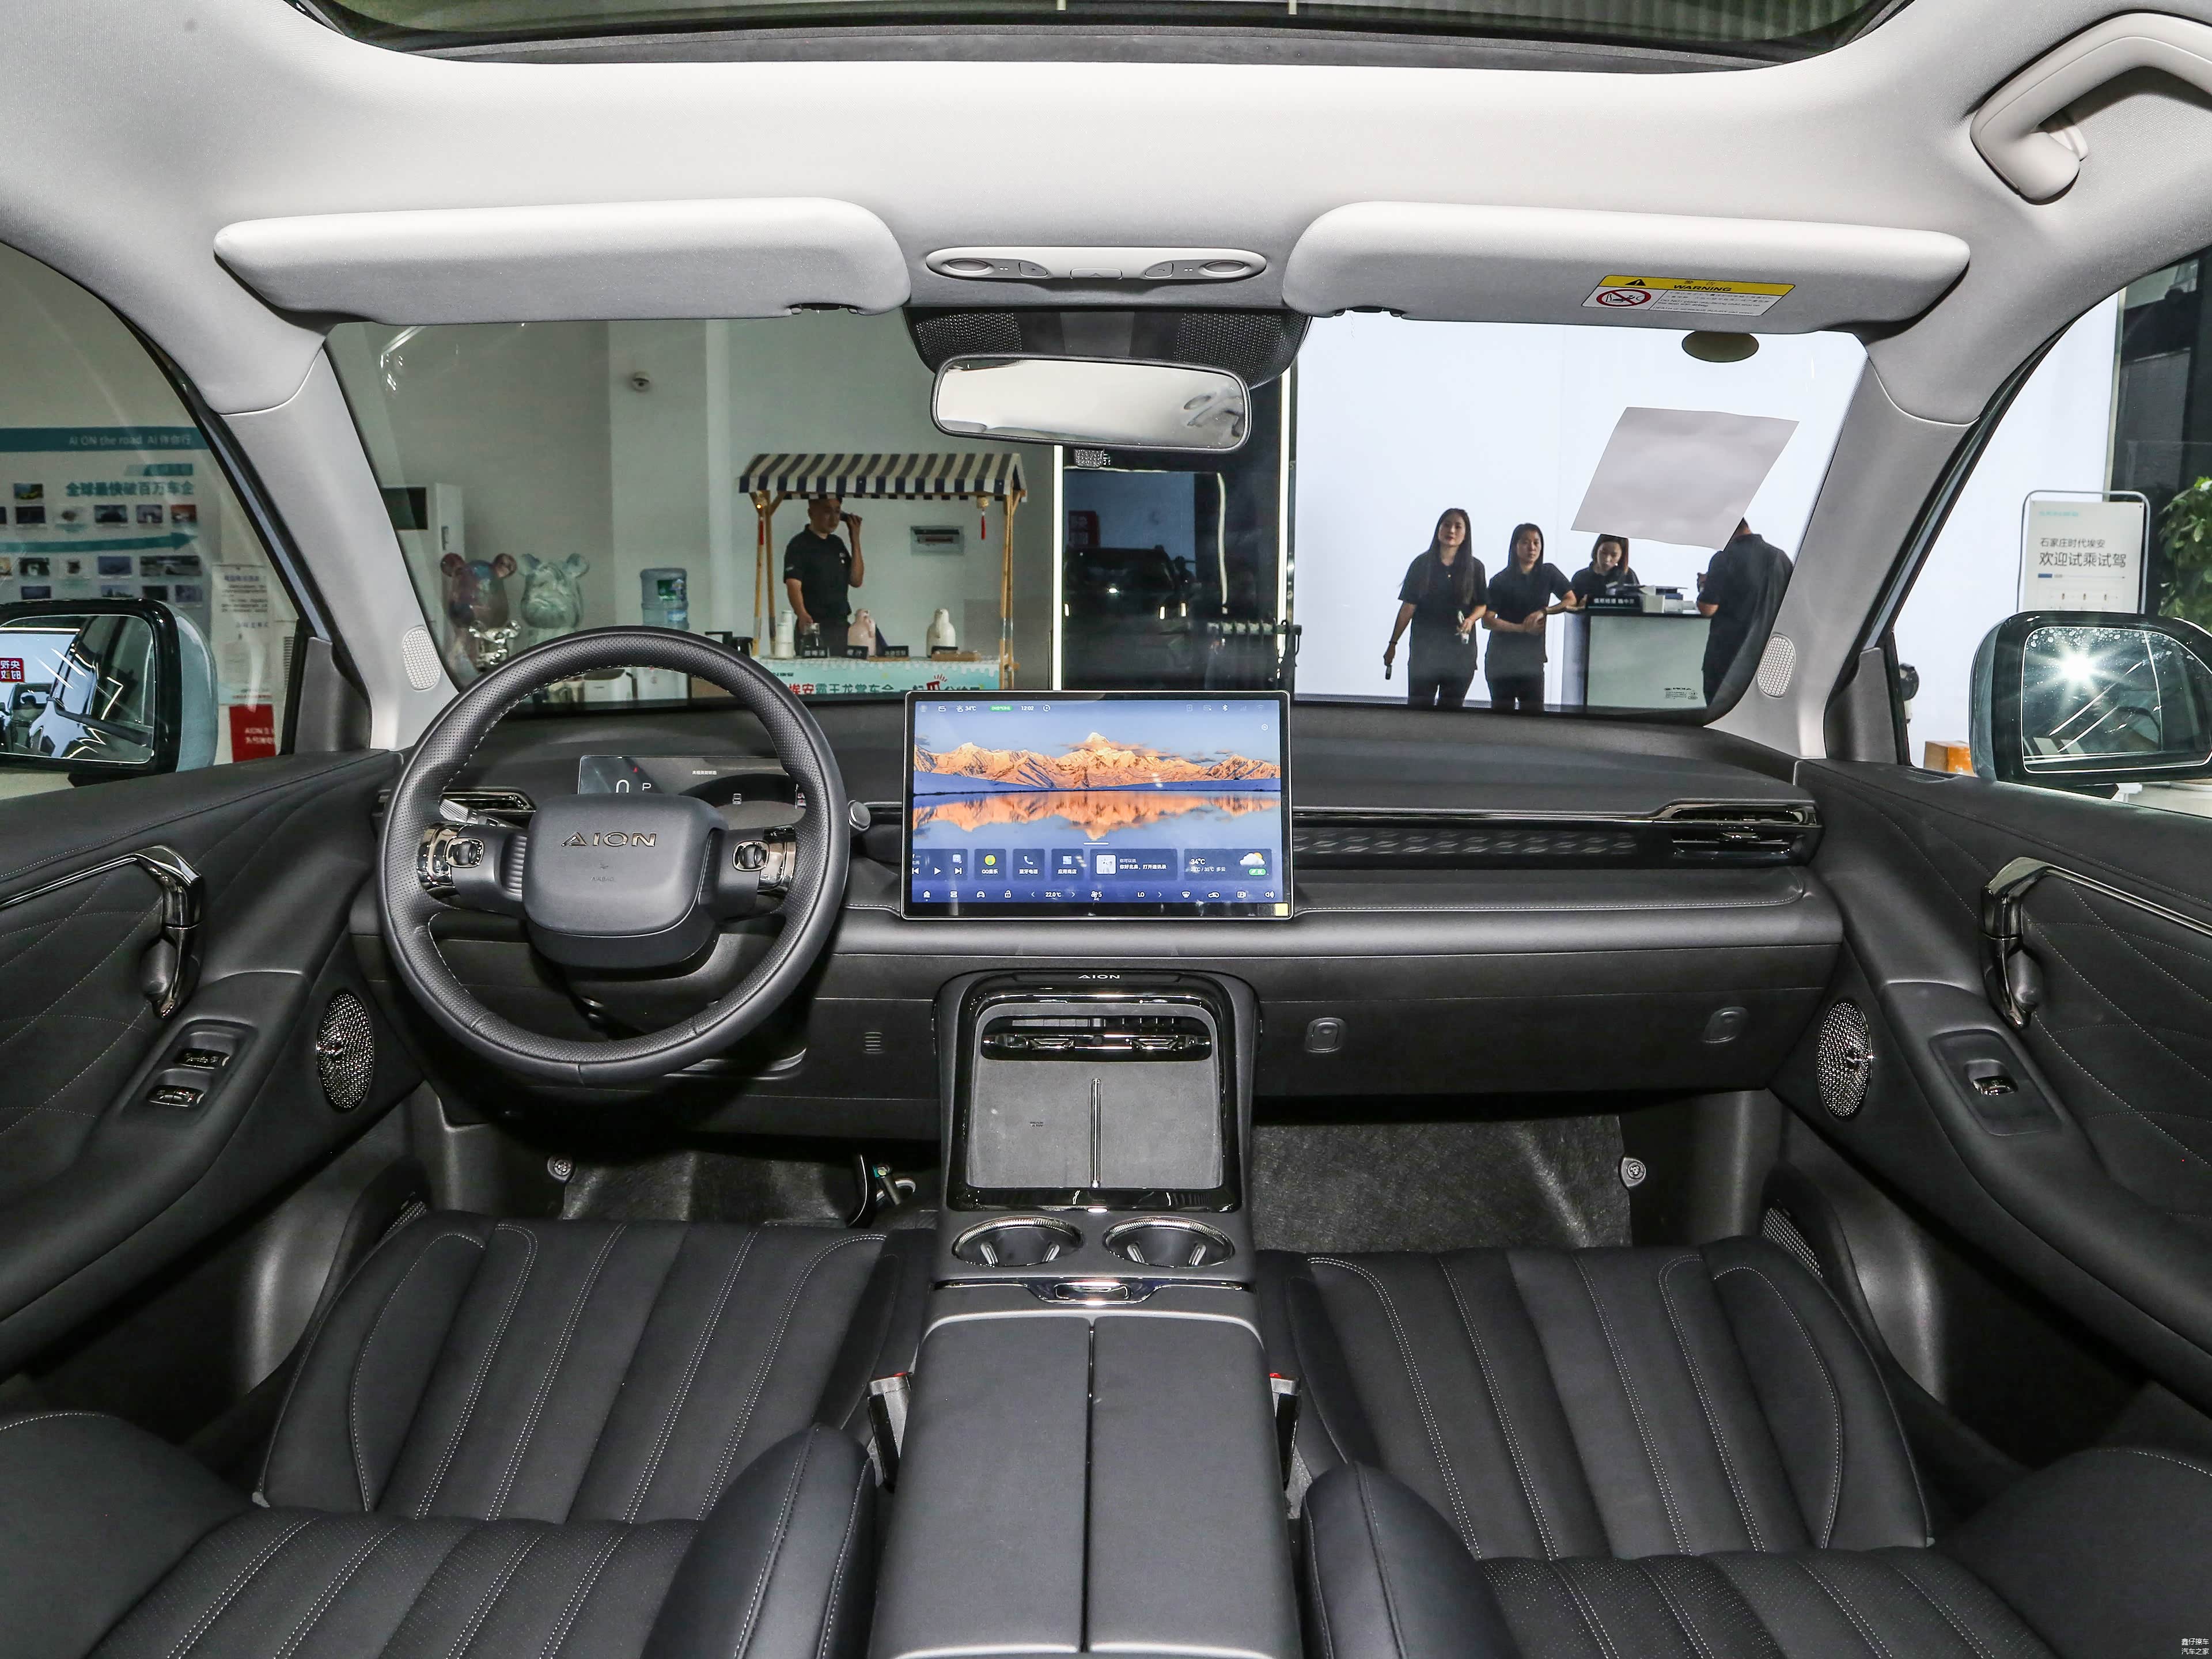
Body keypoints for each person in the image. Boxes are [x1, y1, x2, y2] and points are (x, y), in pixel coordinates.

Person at [1383, 507, 1486, 709]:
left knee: (1451, 716)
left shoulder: (1475, 567)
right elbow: (1408, 608)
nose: (1452, 531)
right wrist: (1393, 643)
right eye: (1446, 525)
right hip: (1425, 654)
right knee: (1419, 713)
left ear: (1466, 534)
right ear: (1438, 529)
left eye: (1458, 527)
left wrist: (1471, 619)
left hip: (1460, 656)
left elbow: (1482, 605)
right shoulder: (1422, 564)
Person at [1698, 517, 1794, 702]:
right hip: (1771, 657)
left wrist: (1704, 586)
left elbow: (1708, 608)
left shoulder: (1724, 558)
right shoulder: (1780, 558)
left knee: (1721, 714)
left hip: (1728, 658)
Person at [1482, 522, 1572, 713]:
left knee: (1534, 719)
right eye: (1525, 542)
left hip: (1532, 660)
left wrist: (1544, 611)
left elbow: (1570, 599)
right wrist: (1521, 628)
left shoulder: (1548, 573)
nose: (1532, 547)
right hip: (1501, 661)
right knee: (1501, 719)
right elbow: (1487, 620)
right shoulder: (1500, 580)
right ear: (1515, 546)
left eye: (1536, 543)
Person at [782, 494, 865, 639]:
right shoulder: (799, 544)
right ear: (811, 513)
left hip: (841, 624)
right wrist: (801, 613)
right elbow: (793, 585)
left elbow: (856, 580)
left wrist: (855, 539)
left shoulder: (837, 543)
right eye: (827, 511)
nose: (834, 519)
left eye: (837, 512)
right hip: (813, 624)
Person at [1567, 534, 1640, 605]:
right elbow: (1571, 607)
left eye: (1614, 555)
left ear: (1622, 556)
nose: (1607, 559)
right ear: (1597, 550)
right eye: (1604, 553)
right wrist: (1581, 606)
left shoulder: (1627, 575)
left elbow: (1638, 604)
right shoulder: (1580, 577)